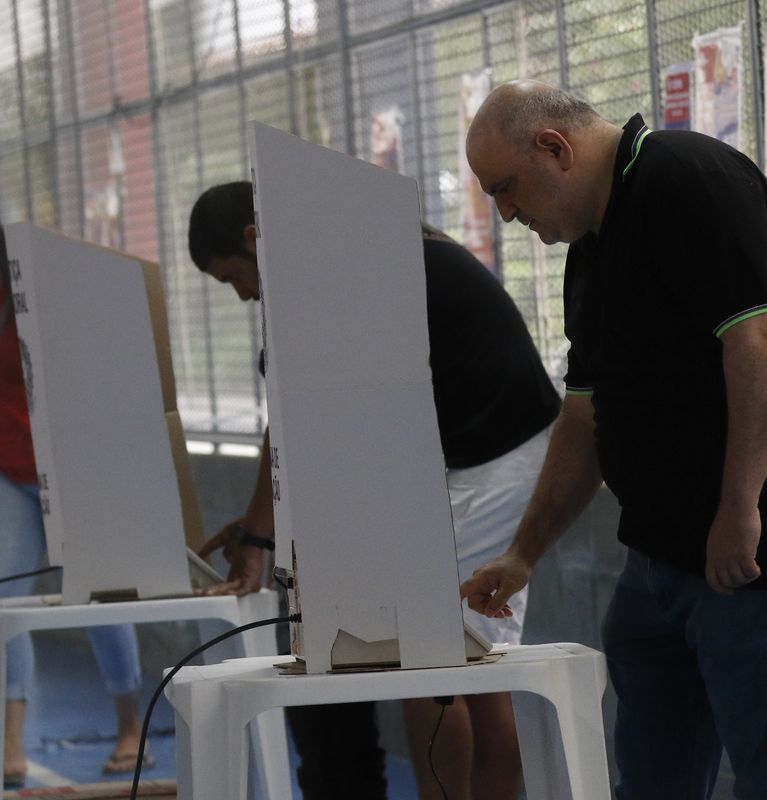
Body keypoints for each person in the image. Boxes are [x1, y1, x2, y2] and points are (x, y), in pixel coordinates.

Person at [458, 80, 767, 798]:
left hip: (753, 557)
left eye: (506, 190)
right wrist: (524, 552)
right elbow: (584, 415)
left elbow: (763, 336)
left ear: (554, 148)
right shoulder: (592, 250)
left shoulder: (689, 179)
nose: (506, 215)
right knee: (654, 777)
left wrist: (739, 507)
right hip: (659, 561)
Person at [187, 181, 561, 800]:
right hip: (460, 458)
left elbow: (290, 420)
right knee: (460, 664)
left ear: (257, 239)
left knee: (438, 660)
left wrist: (260, 533)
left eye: (235, 277)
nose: (245, 294)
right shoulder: (363, 253)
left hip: (499, 459)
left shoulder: (345, 269)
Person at [0, 208, 151, 786]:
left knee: (98, 598)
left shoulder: (30, 305)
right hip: (9, 477)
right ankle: (11, 743)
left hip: (66, 473)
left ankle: (130, 724)